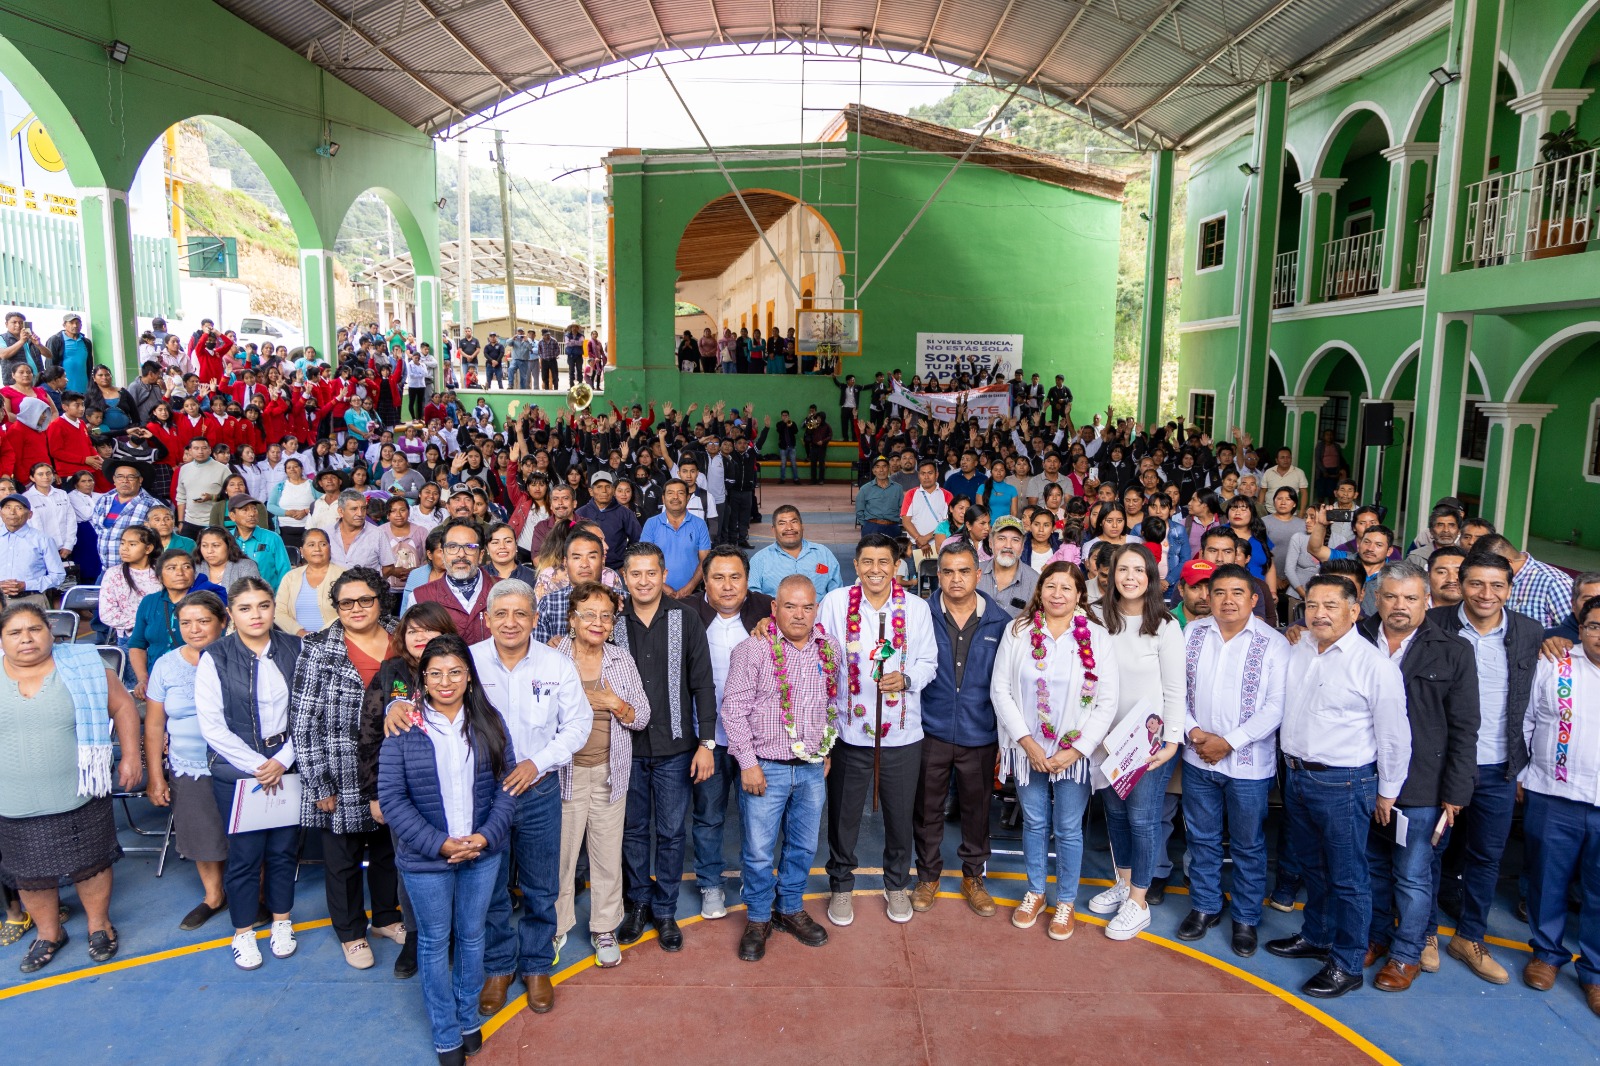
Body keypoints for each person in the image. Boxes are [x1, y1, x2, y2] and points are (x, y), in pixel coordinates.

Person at [1266, 575, 1410, 999]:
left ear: (1354, 609)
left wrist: (1388, 792)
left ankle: (1347, 963)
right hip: (1297, 776)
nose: (1319, 613)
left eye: (1331, 605)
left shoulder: (1374, 666)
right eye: (1311, 605)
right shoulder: (1300, 648)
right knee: (1313, 867)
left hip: (1345, 782)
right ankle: (1318, 936)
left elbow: (1395, 735)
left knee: (1349, 878)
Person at [378, 633, 516, 1066]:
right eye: (435, 673)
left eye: (455, 672)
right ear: (422, 678)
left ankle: (466, 1018)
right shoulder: (404, 725)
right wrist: (439, 844)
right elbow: (392, 799)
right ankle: (445, 1033)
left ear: (469, 678)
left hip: (480, 853)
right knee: (436, 942)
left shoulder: (489, 722)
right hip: (426, 860)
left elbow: (506, 787)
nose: (446, 680)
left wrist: (485, 837)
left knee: (473, 939)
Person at [1356, 562, 1479, 991]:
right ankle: (1373, 938)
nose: (1399, 606)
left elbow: (1465, 727)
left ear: (1427, 600)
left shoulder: (1453, 650)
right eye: (1390, 596)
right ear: (1376, 598)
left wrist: (1456, 792)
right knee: (1368, 867)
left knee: (1412, 874)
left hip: (1421, 786)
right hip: (1360, 776)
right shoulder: (1353, 639)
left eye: (1410, 598)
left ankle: (1405, 954)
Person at [0, 603, 141, 972]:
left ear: (51, 631)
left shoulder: (85, 666)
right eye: (15, 632)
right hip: (12, 797)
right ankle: (49, 933)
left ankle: (99, 925)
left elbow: (124, 708)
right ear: (2, 639)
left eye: (35, 629)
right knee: (27, 872)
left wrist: (130, 757)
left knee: (91, 863)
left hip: (79, 787)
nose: (26, 639)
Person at [1426, 551, 1542, 985]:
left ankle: (1469, 937)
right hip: (1442, 766)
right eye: (1476, 583)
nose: (1486, 594)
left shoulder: (1531, 633)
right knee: (1429, 851)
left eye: (1497, 585)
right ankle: (1424, 934)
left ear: (1509, 589)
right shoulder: (1434, 625)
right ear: (1460, 583)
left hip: (1498, 769)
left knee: (1486, 857)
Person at [990, 561, 1119, 939]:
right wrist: (1026, 742)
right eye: (1050, 586)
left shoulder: (1096, 636)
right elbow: (1001, 690)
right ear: (1039, 590)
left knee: (1067, 827)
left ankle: (1065, 900)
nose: (1057, 594)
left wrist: (1077, 750)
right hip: (1028, 747)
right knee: (1033, 821)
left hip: (1073, 754)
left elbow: (1107, 701)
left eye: (1066, 587)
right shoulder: (1019, 631)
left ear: (1080, 594)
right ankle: (1035, 891)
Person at [817, 534, 939, 926]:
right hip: (849, 732)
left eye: (883, 562)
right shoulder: (836, 603)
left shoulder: (916, 609)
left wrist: (905, 678)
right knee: (843, 815)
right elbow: (819, 653)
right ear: (856, 565)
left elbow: (929, 663)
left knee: (900, 816)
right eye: (867, 561)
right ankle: (840, 886)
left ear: (896, 566)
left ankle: (897, 885)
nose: (875, 569)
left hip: (902, 734)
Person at [291, 567, 406, 970]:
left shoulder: (400, 633)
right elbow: (303, 720)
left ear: (381, 599)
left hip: (395, 765)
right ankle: (352, 932)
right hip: (340, 768)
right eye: (346, 603)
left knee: (389, 848)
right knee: (343, 856)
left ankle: (387, 917)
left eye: (365, 600)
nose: (356, 609)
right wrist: (318, 782)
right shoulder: (320, 647)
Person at [721, 574, 841, 961]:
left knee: (804, 845)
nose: (799, 614)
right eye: (790, 605)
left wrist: (826, 749)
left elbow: (831, 702)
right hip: (765, 768)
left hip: (810, 769)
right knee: (757, 851)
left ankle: (789, 908)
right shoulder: (752, 650)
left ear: (816, 609)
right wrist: (748, 764)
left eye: (808, 606)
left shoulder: (829, 649)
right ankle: (758, 917)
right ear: (774, 609)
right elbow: (733, 711)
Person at [1176, 564, 1288, 958]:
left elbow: (1277, 706)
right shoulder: (1192, 633)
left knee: (1248, 844)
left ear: (1254, 599)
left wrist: (1229, 742)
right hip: (1197, 756)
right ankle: (1205, 905)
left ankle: (1245, 917)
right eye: (1219, 591)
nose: (1227, 600)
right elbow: (1176, 692)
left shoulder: (1273, 643)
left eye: (1237, 592)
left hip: (1248, 765)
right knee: (1201, 838)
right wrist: (1193, 733)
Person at [193, 577, 304, 970]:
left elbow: (307, 712)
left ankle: (281, 922)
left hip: (288, 761)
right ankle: (243, 932)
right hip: (241, 769)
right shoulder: (215, 657)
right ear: (230, 615)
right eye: (245, 608)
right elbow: (212, 727)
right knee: (244, 855)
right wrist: (260, 766)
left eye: (263, 605)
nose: (255, 615)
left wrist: (283, 759)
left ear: (274, 608)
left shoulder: (295, 647)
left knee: (283, 850)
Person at [611, 543, 717, 951]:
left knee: (672, 832)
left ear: (663, 573)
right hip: (625, 748)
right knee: (633, 830)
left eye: (650, 573)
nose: (643, 580)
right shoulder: (613, 623)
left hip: (675, 748)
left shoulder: (685, 618)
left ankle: (666, 909)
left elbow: (702, 685)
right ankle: (639, 903)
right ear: (624, 576)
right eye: (634, 573)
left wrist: (706, 742)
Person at [1087, 544, 1184, 941]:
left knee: (1144, 820)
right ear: (1110, 574)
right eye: (1122, 569)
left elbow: (1176, 691)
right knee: (1116, 816)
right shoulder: (1094, 617)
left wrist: (1172, 741)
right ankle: (1124, 884)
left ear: (1151, 577)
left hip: (1144, 743)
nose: (1130, 577)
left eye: (1138, 570)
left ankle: (1139, 904)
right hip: (1104, 740)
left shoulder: (1165, 625)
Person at [551, 581, 649, 969]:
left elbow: (642, 716)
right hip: (563, 776)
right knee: (561, 858)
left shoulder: (620, 659)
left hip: (610, 773)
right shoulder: (551, 657)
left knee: (607, 857)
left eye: (606, 616)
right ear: (572, 619)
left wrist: (615, 703)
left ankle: (605, 927)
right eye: (588, 614)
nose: (598, 622)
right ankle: (556, 927)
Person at [911, 542, 1009, 917]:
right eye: (948, 571)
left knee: (977, 809)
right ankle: (927, 876)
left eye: (963, 571)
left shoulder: (1000, 622)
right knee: (927, 809)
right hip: (929, 730)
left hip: (980, 733)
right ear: (939, 575)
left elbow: (1008, 684)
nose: (955, 579)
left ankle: (973, 876)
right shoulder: (920, 614)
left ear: (977, 574)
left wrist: (1004, 736)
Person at [1519, 594, 1600, 1016]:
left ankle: (1596, 973)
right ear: (1579, 628)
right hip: (1555, 794)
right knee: (1547, 880)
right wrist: (1521, 776)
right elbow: (1527, 721)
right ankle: (1546, 955)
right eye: (1594, 627)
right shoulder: (1554, 664)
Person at [686, 545, 773, 920]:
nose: (726, 586)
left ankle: (757, 884)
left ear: (747, 581)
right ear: (704, 580)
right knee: (708, 816)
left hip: (758, 740)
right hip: (707, 738)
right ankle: (710, 884)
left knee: (759, 817)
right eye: (717, 577)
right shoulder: (686, 613)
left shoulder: (768, 610)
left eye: (735, 577)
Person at [144, 592, 233, 931]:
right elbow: (154, 725)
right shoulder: (166, 665)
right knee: (201, 834)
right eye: (186, 623)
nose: (194, 629)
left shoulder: (239, 658)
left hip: (238, 765)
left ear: (223, 621)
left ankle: (255, 897)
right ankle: (214, 896)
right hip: (189, 764)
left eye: (203, 621)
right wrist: (156, 775)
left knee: (247, 835)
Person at [127, 548, 224, 699]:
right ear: (159, 577)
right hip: (157, 680)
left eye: (186, 567)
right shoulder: (149, 602)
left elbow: (221, 642)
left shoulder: (207, 601)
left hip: (201, 679)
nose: (180, 572)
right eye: (171, 568)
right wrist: (143, 679)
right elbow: (137, 645)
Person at [411, 518, 501, 645]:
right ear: (442, 554)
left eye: (469, 547)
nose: (461, 554)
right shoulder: (420, 597)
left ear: (481, 555)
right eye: (452, 547)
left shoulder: (504, 590)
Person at [749, 505, 843, 600]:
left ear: (802, 526)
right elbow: (753, 600)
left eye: (794, 522)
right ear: (773, 530)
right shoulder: (759, 560)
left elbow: (837, 595)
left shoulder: (823, 554)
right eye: (782, 523)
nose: (789, 528)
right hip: (775, 614)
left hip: (819, 614)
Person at [88, 459, 163, 575]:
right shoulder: (104, 500)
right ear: (114, 479)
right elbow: (98, 528)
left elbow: (163, 539)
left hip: (137, 572)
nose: (125, 481)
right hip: (106, 571)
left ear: (140, 480)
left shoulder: (152, 505)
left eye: (131, 477)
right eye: (120, 477)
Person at [639, 479, 711, 599]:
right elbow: (643, 559)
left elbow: (705, 560)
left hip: (692, 594)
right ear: (663, 498)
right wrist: (663, 587)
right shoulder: (651, 524)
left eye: (680, 493)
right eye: (670, 493)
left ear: (688, 497)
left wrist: (689, 588)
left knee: (690, 618)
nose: (675, 497)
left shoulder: (699, 524)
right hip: (657, 592)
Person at [274, 527, 345, 636]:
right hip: (298, 642)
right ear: (302, 551)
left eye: (323, 544)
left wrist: (325, 635)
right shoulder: (290, 577)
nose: (317, 549)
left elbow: (351, 611)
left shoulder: (344, 576)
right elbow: (278, 611)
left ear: (330, 548)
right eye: (311, 545)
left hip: (336, 640)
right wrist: (300, 633)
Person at [0, 492, 66, 607]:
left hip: (31, 601)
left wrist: (26, 585)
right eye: (7, 507)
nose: (12, 512)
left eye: (19, 508)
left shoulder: (43, 539)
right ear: (1, 512)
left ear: (30, 514)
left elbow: (58, 576)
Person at [575, 471, 640, 571]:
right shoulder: (580, 513)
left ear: (613, 490)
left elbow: (637, 540)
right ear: (591, 491)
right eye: (599, 487)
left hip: (617, 569)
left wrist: (627, 564)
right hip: (586, 568)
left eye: (607, 486)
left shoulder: (625, 513)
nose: (604, 491)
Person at [226, 494, 291, 590]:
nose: (252, 514)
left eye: (254, 509)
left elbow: (284, 571)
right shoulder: (226, 539)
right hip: (234, 600)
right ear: (232, 516)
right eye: (245, 510)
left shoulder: (272, 538)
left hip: (269, 598)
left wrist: (280, 599)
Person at [977, 515, 1038, 617]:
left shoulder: (1035, 581)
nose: (1008, 545)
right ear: (991, 543)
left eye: (1015, 540)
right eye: (1001, 538)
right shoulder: (973, 573)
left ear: (1022, 546)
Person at [174, 438, 231, 541]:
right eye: (196, 448)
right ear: (190, 451)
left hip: (214, 522)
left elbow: (231, 495)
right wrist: (181, 522)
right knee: (187, 554)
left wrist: (211, 497)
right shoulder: (184, 469)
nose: (200, 452)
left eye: (204, 448)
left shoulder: (222, 469)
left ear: (210, 450)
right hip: (189, 522)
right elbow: (181, 497)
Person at [329, 488, 393, 571]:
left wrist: (373, 583)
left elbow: (388, 567)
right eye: (354, 509)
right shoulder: (327, 533)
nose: (360, 514)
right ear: (341, 511)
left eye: (363, 508)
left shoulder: (378, 534)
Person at [901, 459, 951, 564]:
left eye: (930, 473)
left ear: (937, 474)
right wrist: (920, 540)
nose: (926, 477)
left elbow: (948, 522)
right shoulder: (910, 494)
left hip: (939, 545)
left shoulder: (947, 495)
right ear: (918, 475)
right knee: (914, 579)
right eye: (923, 473)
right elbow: (906, 521)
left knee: (938, 579)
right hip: (915, 545)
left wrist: (926, 538)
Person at [193, 526, 260, 593]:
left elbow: (252, 596)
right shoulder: (194, 568)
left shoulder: (246, 566)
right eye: (204, 546)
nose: (209, 551)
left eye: (216, 545)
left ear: (229, 546)